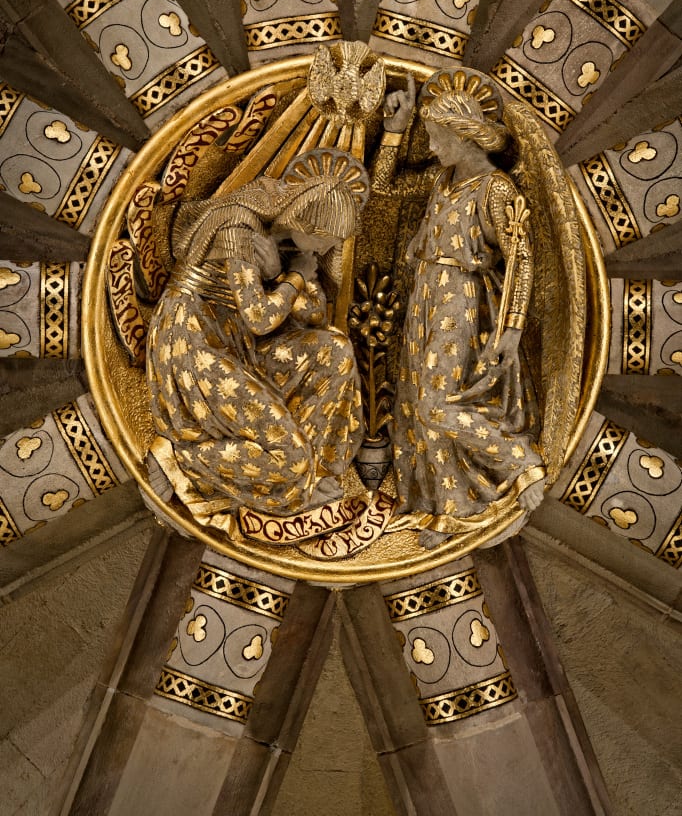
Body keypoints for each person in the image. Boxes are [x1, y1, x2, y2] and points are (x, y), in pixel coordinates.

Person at [146, 149, 367, 518]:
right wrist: (294, 278)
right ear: (308, 221)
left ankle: (315, 475)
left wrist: (280, 274)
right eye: (328, 238)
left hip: (236, 344)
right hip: (195, 345)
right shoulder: (239, 227)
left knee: (336, 350)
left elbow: (315, 314)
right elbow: (260, 318)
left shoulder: (282, 239)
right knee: (289, 458)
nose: (330, 248)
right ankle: (177, 460)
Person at [388, 74, 546, 545]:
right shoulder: (443, 179)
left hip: (463, 303)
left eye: (437, 138)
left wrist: (511, 330)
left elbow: (521, 258)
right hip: (425, 300)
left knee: (438, 405)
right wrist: (393, 131)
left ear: (464, 135)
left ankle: (520, 462)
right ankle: (448, 509)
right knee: (415, 405)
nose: (431, 148)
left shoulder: (496, 189)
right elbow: (385, 190)